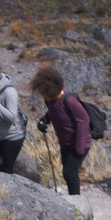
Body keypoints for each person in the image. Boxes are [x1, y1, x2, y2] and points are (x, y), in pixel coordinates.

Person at [31, 66, 91, 195]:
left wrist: (79, 147)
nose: (44, 96)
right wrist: (45, 120)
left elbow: (83, 120)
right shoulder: (51, 101)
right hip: (65, 143)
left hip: (79, 143)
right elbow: (53, 112)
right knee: (68, 173)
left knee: (69, 173)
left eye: (44, 93)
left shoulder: (69, 100)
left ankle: (76, 203)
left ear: (51, 90)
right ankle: (73, 198)